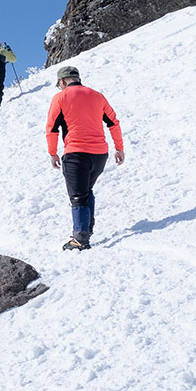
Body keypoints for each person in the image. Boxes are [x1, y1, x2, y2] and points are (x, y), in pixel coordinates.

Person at [44, 64, 124, 251]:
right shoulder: (97, 96)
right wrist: (119, 148)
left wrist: (52, 152)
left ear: (62, 81)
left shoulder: (60, 98)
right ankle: (86, 230)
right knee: (86, 190)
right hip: (100, 155)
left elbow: (52, 128)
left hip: (76, 153)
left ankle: (80, 239)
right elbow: (113, 123)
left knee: (78, 195)